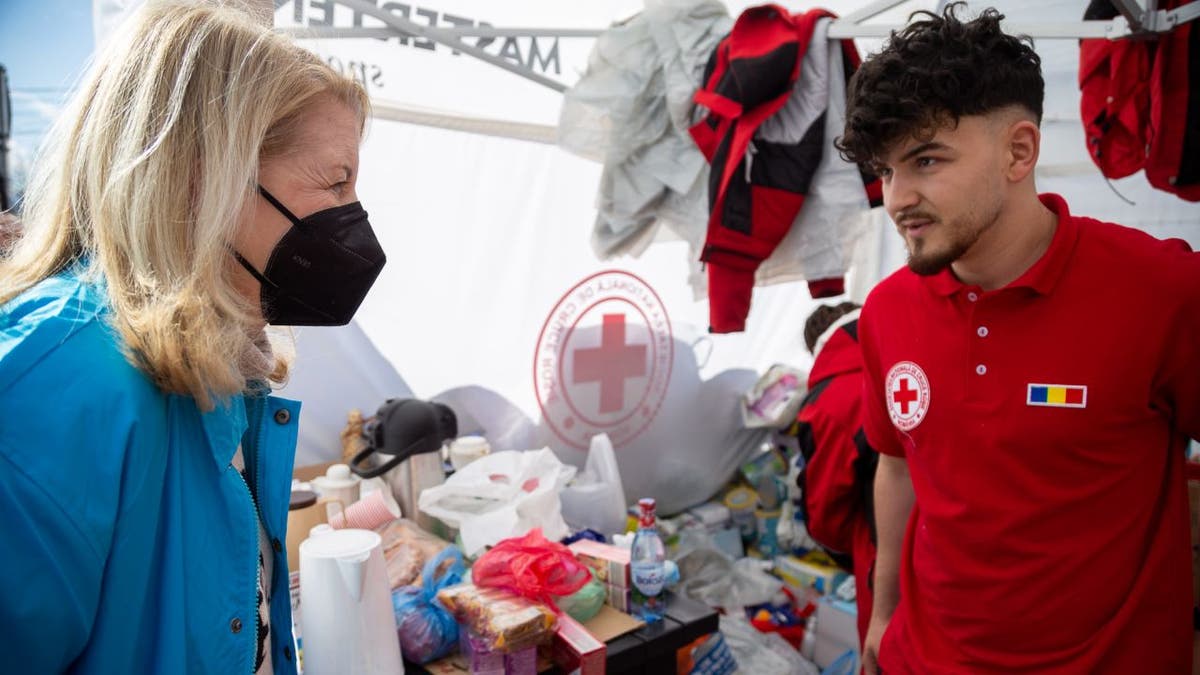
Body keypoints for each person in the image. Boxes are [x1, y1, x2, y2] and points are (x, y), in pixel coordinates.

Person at [0, 2, 385, 673]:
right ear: (209, 176)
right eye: (336, 181)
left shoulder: (213, 369)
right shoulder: (54, 390)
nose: (354, 216)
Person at [837, 4, 1200, 674]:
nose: (897, 197)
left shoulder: (1164, 291)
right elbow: (895, 463)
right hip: (926, 657)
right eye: (887, 170)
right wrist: (882, 615)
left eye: (925, 159)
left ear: (1019, 150)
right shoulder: (887, 311)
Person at [792, 301, 878, 650]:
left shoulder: (829, 404)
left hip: (886, 554)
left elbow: (828, 516)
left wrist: (853, 554)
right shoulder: (918, 357)